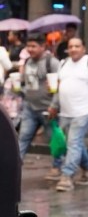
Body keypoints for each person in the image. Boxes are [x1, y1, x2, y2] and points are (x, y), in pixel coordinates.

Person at [49, 37, 88, 192]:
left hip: (84, 111)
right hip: (65, 112)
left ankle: (67, 176)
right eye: (70, 46)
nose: (73, 49)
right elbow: (58, 87)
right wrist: (53, 105)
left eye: (77, 46)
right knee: (73, 143)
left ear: (83, 48)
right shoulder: (63, 64)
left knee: (74, 142)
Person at [16, 33, 62, 180]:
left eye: (34, 46)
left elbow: (60, 86)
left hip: (47, 108)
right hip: (30, 106)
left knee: (53, 139)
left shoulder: (52, 62)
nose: (30, 49)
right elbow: (28, 83)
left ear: (43, 47)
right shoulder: (28, 61)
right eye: (28, 46)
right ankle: (15, 165)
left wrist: (54, 105)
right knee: (23, 137)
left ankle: (57, 167)